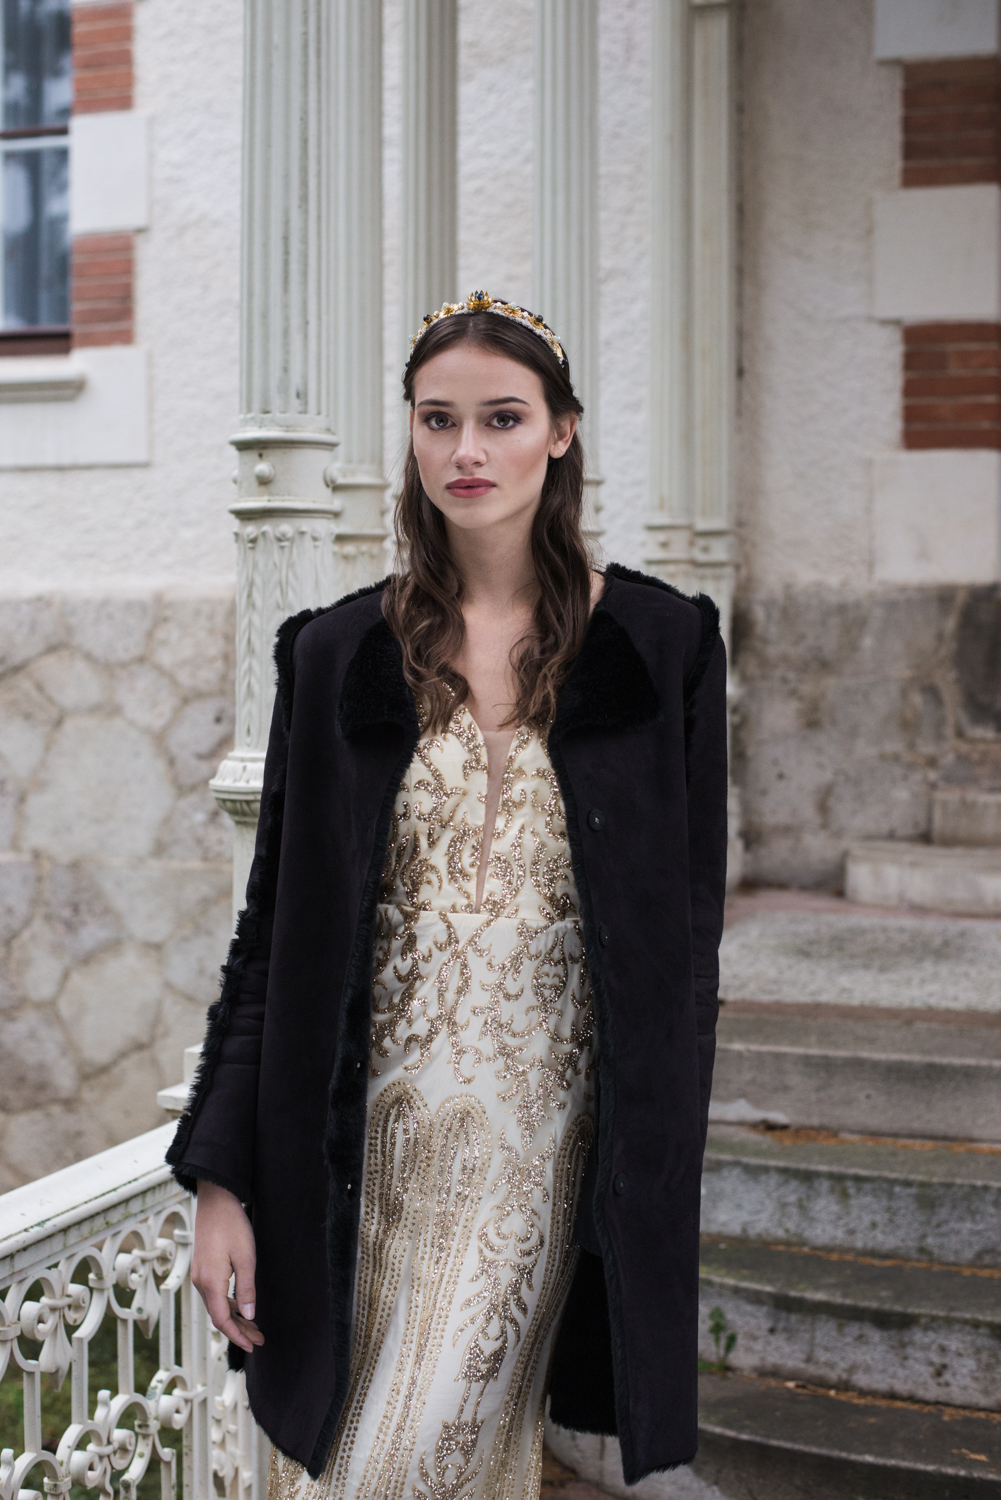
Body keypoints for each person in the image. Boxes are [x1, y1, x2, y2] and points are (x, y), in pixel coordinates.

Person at [167, 290, 728, 1498]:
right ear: (412, 435)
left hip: (536, 1147)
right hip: (358, 1149)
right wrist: (222, 1178)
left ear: (560, 433)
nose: (466, 452)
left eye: (501, 418)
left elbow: (684, 948)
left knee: (393, 1468)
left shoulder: (658, 643)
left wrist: (649, 1175)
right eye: (438, 420)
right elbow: (271, 938)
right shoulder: (334, 656)